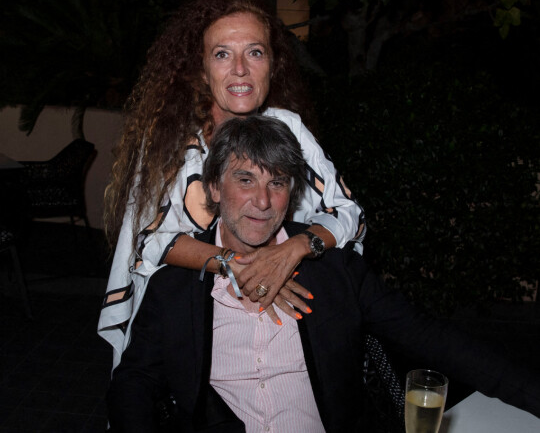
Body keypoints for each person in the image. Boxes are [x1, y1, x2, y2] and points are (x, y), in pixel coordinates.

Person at [107, 116, 540, 432]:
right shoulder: (175, 286)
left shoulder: (334, 272)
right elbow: (135, 381)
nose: (262, 201)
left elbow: (434, 338)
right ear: (215, 189)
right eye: (245, 180)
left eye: (277, 183)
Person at [99, 0, 365, 368]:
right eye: (222, 54)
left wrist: (289, 251)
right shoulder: (172, 138)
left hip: (276, 319)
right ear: (203, 71)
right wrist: (234, 262)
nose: (240, 69)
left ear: (272, 66)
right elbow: (147, 241)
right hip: (183, 321)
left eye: (254, 52)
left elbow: (348, 214)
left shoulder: (287, 128)